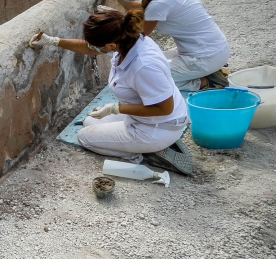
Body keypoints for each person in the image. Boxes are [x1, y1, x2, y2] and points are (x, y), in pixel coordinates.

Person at [30, 9, 188, 165]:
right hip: (147, 116)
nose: (94, 49)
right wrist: (53, 41)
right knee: (90, 121)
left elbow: (165, 109)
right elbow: (90, 48)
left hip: (159, 126)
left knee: (86, 137)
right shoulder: (128, 38)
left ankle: (140, 155)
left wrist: (117, 108)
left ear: (112, 46)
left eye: (98, 46)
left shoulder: (144, 66)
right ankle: (142, 145)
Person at [102, 0, 230, 92]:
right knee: (145, 63)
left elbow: (136, 37)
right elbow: (145, 9)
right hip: (212, 48)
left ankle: (207, 82)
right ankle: (204, 72)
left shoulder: (158, 4)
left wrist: (115, 19)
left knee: (144, 77)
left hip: (205, 57)